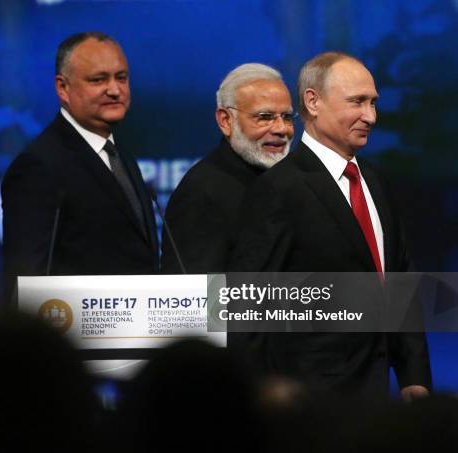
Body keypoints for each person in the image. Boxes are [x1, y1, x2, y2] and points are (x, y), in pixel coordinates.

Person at [229, 52, 431, 399]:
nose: (370, 116)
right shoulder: (279, 188)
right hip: (310, 403)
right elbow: (248, 303)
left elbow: (399, 282)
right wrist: (260, 395)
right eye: (357, 102)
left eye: (373, 103)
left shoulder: (376, 182)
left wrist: (414, 375)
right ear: (313, 101)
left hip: (377, 396)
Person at [2, 32, 158, 298]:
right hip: (74, 335)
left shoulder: (122, 157)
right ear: (63, 88)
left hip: (138, 333)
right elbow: (27, 279)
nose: (114, 89)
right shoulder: (38, 166)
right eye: (99, 80)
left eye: (121, 77)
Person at [161, 63, 294, 273]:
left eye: (286, 117)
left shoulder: (290, 179)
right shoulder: (202, 191)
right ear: (226, 120)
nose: (281, 129)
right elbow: (196, 297)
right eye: (264, 117)